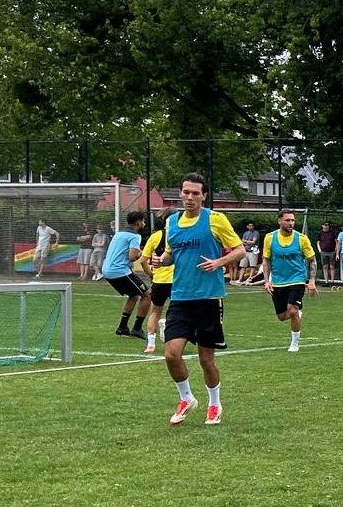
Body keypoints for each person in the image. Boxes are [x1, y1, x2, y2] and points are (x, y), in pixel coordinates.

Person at [149, 173, 244, 426]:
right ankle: (187, 398)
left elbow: (240, 250)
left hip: (209, 298)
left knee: (206, 359)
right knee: (171, 354)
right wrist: (162, 260)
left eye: (195, 193)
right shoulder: (172, 224)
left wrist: (219, 262)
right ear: (180, 194)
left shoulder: (215, 219)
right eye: (186, 192)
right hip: (180, 297)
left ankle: (214, 403)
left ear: (204, 196)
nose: (190, 197)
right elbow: (171, 254)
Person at [263, 209, 318, 352]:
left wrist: (311, 280)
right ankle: (296, 314)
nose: (291, 223)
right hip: (278, 281)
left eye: (292, 220)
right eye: (287, 220)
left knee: (292, 310)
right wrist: (266, 281)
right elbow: (266, 260)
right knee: (282, 316)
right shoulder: (270, 238)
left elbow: (312, 260)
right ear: (279, 221)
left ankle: (294, 344)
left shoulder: (301, 238)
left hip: (297, 280)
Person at [102, 211, 152, 340]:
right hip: (119, 271)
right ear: (138, 222)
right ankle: (137, 328)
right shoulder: (135, 236)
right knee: (147, 295)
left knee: (134, 295)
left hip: (107, 270)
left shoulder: (119, 234)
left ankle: (122, 328)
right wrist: (143, 253)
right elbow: (132, 256)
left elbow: (120, 254)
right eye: (143, 221)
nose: (144, 223)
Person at [140, 209, 176, 355]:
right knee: (179, 312)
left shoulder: (155, 236)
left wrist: (151, 274)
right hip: (177, 280)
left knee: (155, 311)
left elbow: (142, 260)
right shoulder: (181, 235)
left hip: (160, 280)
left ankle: (151, 344)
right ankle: (172, 339)